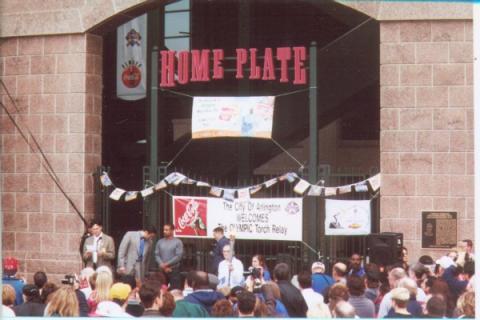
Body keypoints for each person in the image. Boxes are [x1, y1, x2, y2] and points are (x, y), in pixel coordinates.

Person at [155, 223, 184, 289]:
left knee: (175, 290)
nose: (164, 231)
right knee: (161, 289)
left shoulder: (178, 242)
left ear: (172, 230)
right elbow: (157, 255)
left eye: (167, 230)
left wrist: (166, 264)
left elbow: (178, 256)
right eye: (164, 230)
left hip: (174, 270)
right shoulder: (160, 242)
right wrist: (162, 265)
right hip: (162, 270)